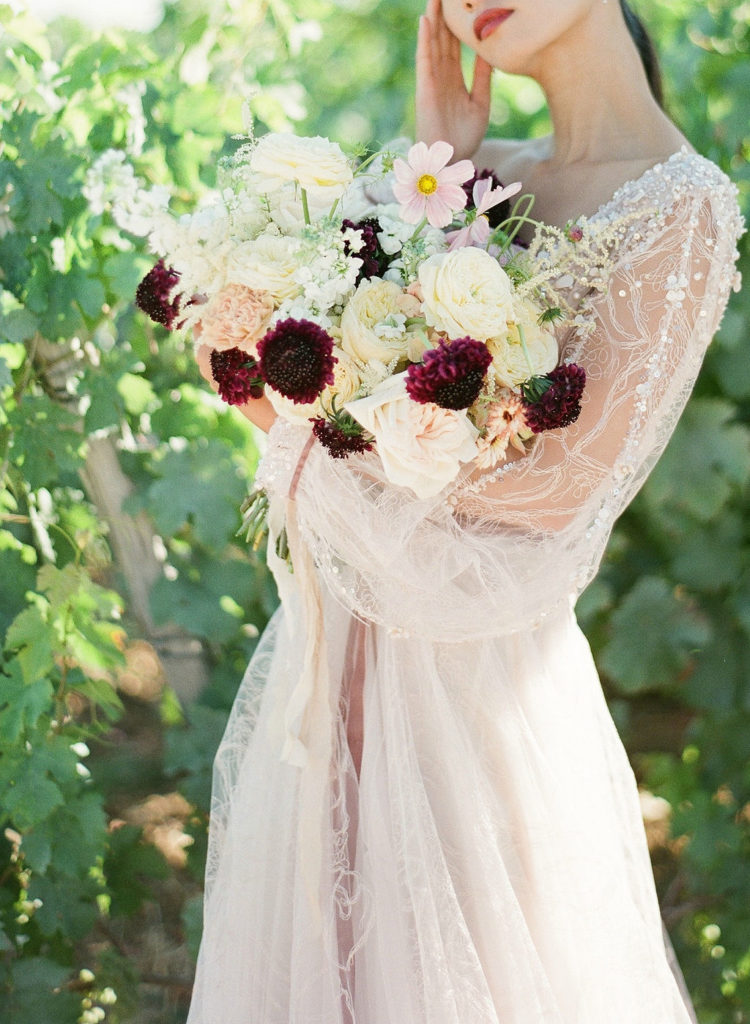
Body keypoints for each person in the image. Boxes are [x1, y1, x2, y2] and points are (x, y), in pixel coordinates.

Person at [187, 1, 743, 1022]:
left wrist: (333, 446)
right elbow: (296, 370)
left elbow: (569, 488)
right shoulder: (481, 173)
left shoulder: (684, 205)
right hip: (341, 650)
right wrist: (433, 157)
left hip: (474, 692)